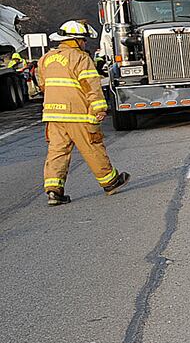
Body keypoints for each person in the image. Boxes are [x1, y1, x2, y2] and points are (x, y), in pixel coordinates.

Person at [37, 20, 129, 206]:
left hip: (52, 115)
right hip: (76, 114)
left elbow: (42, 85)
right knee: (92, 146)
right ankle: (110, 182)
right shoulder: (80, 58)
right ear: (76, 40)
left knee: (57, 151)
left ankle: (54, 191)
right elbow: (91, 86)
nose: (85, 43)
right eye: (83, 40)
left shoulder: (45, 58)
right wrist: (99, 108)